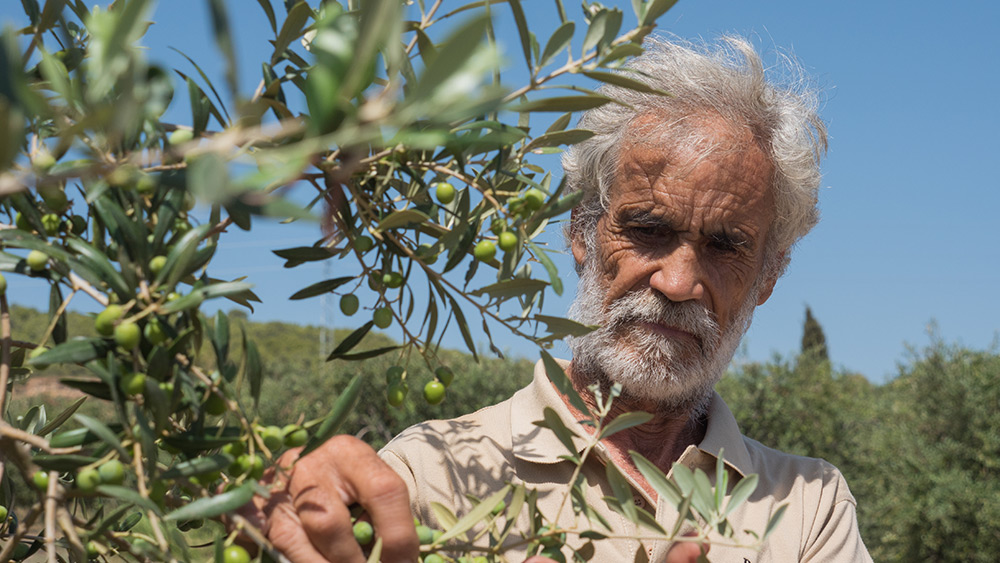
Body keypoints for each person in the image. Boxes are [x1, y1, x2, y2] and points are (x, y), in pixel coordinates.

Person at [247, 36, 873, 562]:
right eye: (649, 230)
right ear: (580, 232)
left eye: (726, 246)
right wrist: (301, 502)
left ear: (768, 276)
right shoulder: (431, 475)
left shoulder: (808, 507)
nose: (679, 283)